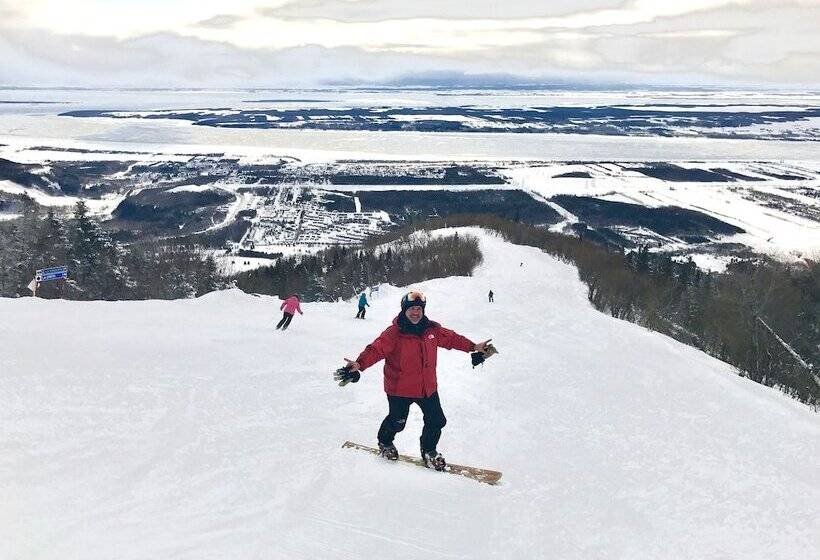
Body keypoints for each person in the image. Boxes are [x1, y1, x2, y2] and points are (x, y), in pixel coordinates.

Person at [336, 290, 491, 471]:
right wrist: (359, 364)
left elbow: (452, 339)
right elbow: (376, 350)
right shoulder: (394, 333)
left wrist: (473, 346)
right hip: (399, 388)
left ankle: (429, 452)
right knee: (397, 421)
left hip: (427, 387)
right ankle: (385, 442)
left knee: (437, 420)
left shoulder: (432, 330)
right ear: (404, 310)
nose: (415, 312)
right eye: (412, 309)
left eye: (419, 308)